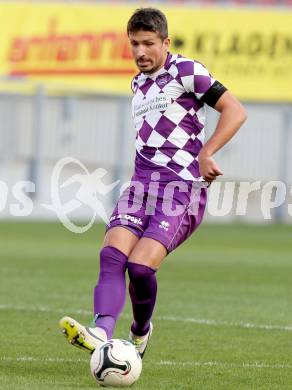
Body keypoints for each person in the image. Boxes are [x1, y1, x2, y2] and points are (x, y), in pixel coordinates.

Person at [59, 7, 246, 359]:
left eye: (148, 43)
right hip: (142, 186)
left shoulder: (187, 71)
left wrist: (208, 152)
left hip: (182, 189)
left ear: (165, 42)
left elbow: (235, 110)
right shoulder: (137, 83)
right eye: (134, 44)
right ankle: (101, 331)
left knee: (141, 268)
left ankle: (140, 331)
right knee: (112, 255)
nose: (141, 52)